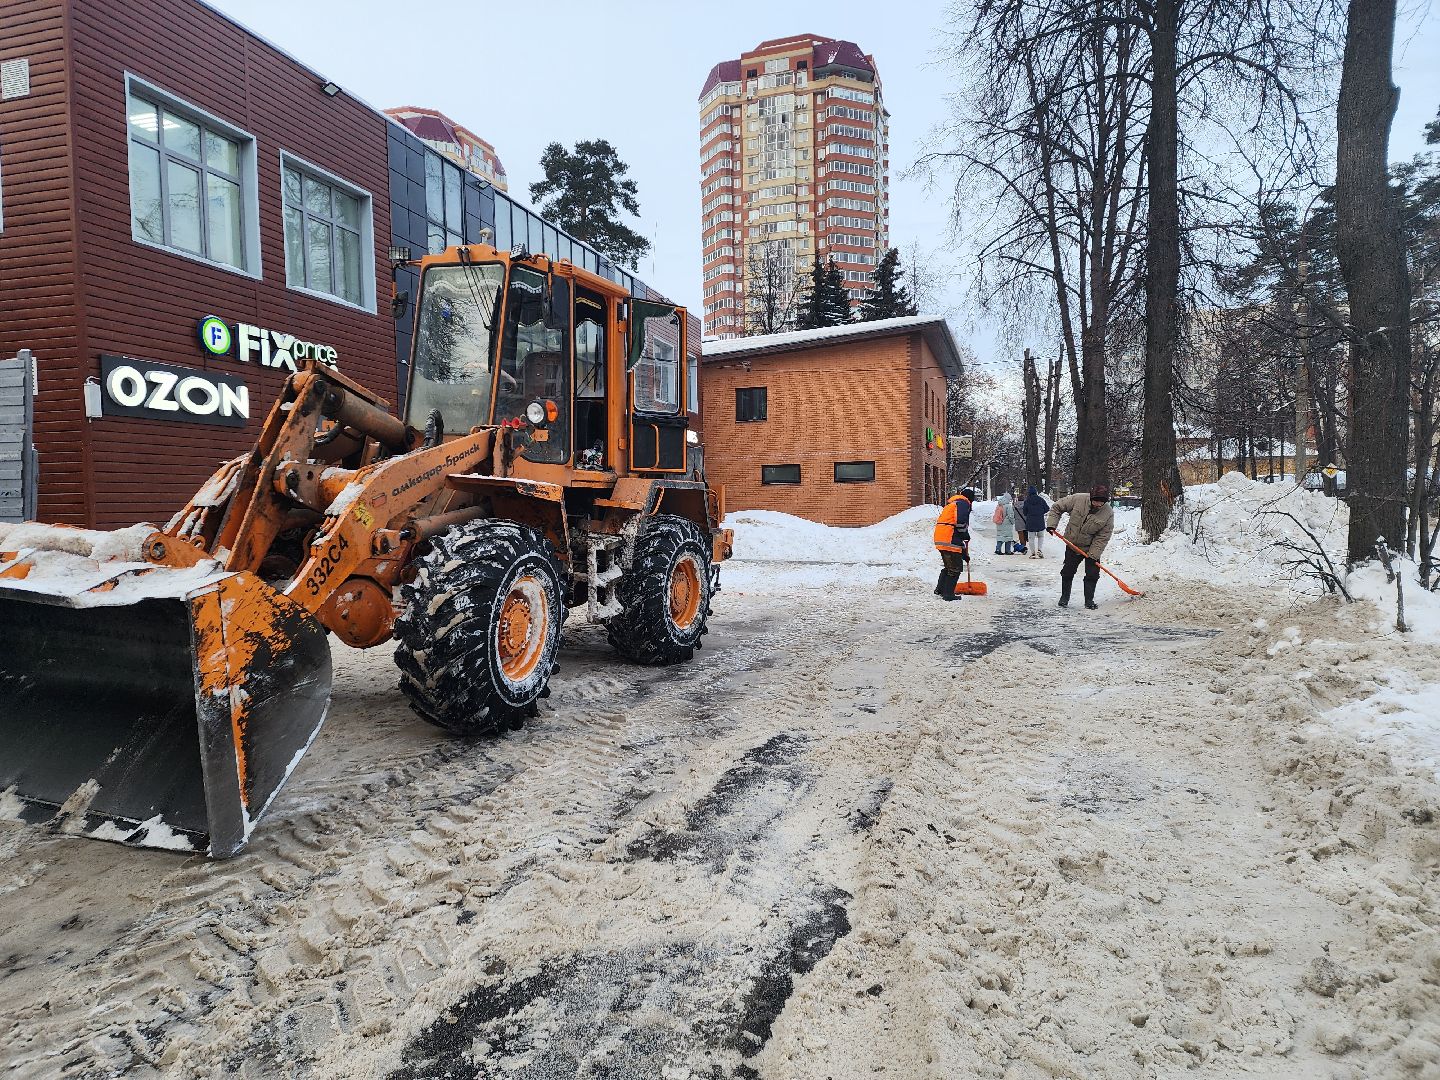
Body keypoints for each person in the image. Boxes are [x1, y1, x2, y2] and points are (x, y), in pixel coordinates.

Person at [1046, 483, 1115, 609]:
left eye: (1101, 502)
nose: (1098, 504)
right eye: (1096, 501)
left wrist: (1093, 555)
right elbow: (1057, 507)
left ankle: (1089, 601)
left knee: (1092, 574)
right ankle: (1064, 598)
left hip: (1091, 547)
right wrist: (1052, 524)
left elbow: (1103, 536)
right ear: (1091, 497)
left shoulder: (1108, 513)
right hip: (1072, 544)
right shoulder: (1078, 499)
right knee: (1067, 572)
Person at [932, 487, 975, 600]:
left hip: (942, 536)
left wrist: (963, 553)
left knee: (949, 566)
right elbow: (960, 522)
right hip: (949, 538)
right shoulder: (963, 503)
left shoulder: (953, 503)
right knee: (955, 568)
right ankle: (948, 594)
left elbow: (954, 525)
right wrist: (965, 534)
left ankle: (940, 590)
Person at [1022, 485, 1050, 559]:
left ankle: (1033, 553)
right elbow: (1047, 508)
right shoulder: (1041, 500)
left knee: (1031, 538)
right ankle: (1040, 550)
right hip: (1040, 521)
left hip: (1030, 522)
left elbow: (1024, 512)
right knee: (1040, 536)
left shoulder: (1027, 501)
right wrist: (1040, 512)